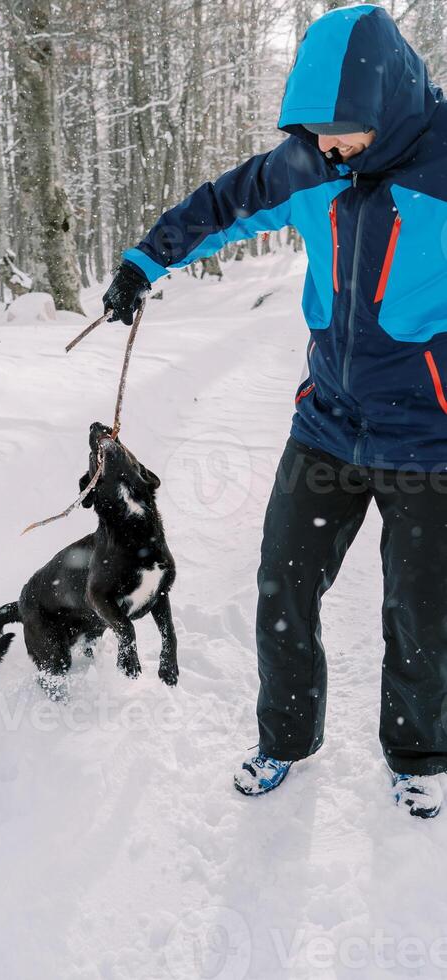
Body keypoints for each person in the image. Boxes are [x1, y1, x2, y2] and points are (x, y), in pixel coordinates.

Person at [102, 4, 447, 818]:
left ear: (387, 102)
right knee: (283, 583)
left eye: (342, 131)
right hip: (328, 421)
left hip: (429, 437)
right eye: (314, 130)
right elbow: (223, 205)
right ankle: (285, 738)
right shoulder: (308, 167)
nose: (327, 147)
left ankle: (420, 752)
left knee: (422, 609)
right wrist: (144, 261)